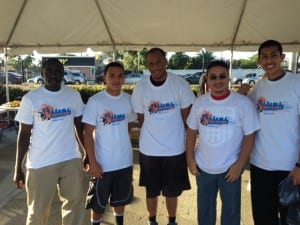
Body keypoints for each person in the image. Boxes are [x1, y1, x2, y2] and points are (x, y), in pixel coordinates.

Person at [186, 60, 260, 225]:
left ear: (228, 78)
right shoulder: (200, 102)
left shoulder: (242, 103)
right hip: (203, 169)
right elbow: (191, 132)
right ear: (208, 80)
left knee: (231, 215)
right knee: (205, 213)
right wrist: (190, 160)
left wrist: (239, 165)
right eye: (213, 77)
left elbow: (250, 136)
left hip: (230, 170)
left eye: (222, 76)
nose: (218, 80)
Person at [13, 58, 86, 225]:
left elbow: (79, 127)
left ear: (63, 73)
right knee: (37, 212)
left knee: (74, 207)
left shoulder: (73, 95)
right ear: (42, 73)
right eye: (49, 71)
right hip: (40, 163)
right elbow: (24, 135)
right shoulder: (31, 99)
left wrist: (86, 153)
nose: (54, 75)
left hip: (71, 159)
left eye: (58, 71)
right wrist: (18, 167)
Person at [131, 47, 195, 225]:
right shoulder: (141, 87)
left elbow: (187, 118)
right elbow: (142, 118)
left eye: (159, 62)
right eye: (151, 64)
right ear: (147, 66)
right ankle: (152, 220)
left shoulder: (180, 84)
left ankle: (171, 221)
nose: (156, 67)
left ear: (166, 61)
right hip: (149, 150)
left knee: (171, 191)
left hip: (174, 149)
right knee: (151, 191)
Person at [239, 40, 300, 225]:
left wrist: (299, 165)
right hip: (260, 166)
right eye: (264, 56)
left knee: (291, 220)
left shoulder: (296, 83)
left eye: (274, 55)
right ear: (259, 60)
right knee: (264, 218)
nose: (269, 60)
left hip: (290, 168)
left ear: (282, 57)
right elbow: (244, 113)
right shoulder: (259, 87)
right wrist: (240, 96)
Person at [82, 62, 136, 225]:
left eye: (120, 75)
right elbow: (88, 133)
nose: (116, 79)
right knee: (98, 205)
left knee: (120, 202)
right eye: (111, 75)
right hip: (102, 165)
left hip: (124, 162)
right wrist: (92, 162)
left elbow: (129, 124)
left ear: (124, 78)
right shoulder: (95, 101)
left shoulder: (128, 100)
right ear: (104, 78)